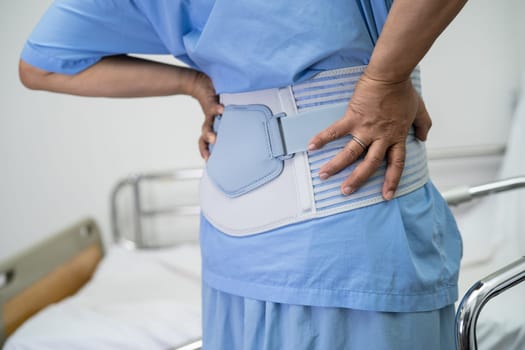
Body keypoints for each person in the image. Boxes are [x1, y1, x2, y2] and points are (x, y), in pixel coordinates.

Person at [19, 0, 467, 348]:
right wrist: (386, 81)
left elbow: (41, 64)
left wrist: (191, 82)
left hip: (236, 248)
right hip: (346, 241)